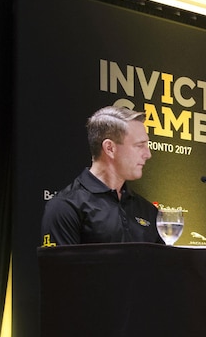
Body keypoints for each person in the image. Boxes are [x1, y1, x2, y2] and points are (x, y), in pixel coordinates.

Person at [41, 105, 162, 246]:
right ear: (110, 148)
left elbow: (162, 266)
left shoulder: (148, 210)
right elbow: (62, 267)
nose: (148, 154)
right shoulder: (65, 207)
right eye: (140, 145)